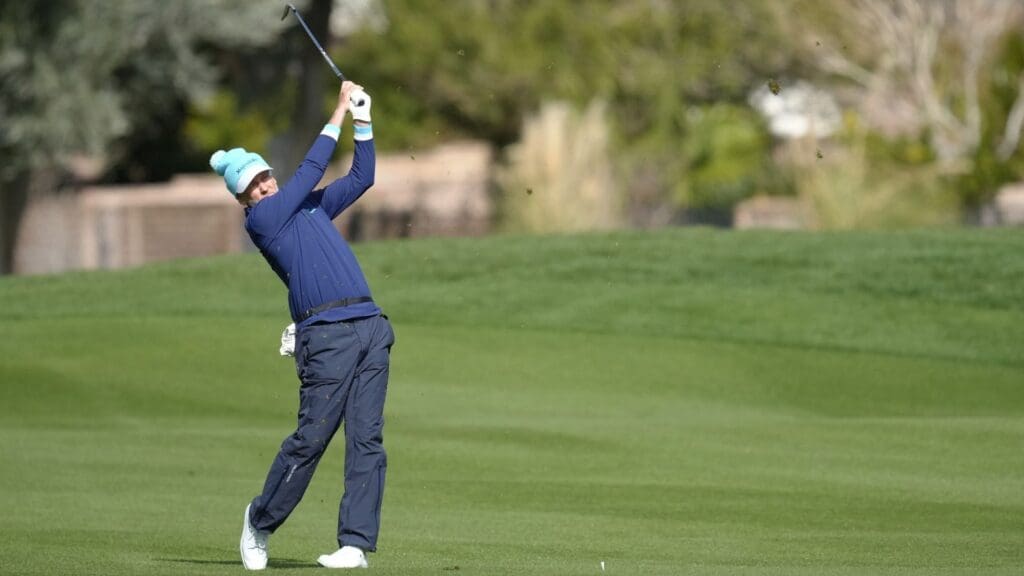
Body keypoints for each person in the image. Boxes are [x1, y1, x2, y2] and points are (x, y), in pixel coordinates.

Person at [210, 81, 394, 570]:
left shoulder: (310, 208)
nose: (265, 185)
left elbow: (363, 177)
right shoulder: (263, 221)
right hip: (327, 335)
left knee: (367, 440)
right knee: (311, 439)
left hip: (370, 325)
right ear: (243, 198)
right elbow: (312, 168)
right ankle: (260, 520)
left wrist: (363, 121)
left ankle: (354, 543)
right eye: (254, 184)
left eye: (266, 176)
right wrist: (336, 110)